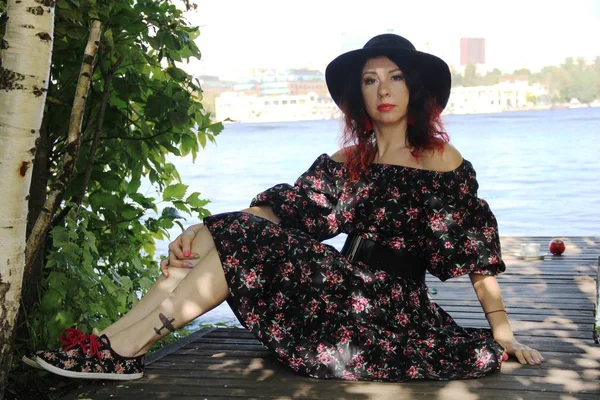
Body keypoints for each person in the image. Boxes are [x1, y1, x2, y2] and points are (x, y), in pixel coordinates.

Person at [27, 33, 544, 381]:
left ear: (415, 87)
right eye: (370, 80)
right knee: (210, 246)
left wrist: (503, 335)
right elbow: (286, 211)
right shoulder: (348, 161)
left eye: (395, 77)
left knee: (243, 239)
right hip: (336, 292)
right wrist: (201, 232)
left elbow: (475, 255)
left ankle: (127, 350)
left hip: (388, 310)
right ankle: (101, 345)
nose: (383, 90)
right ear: (359, 94)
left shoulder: (439, 159)